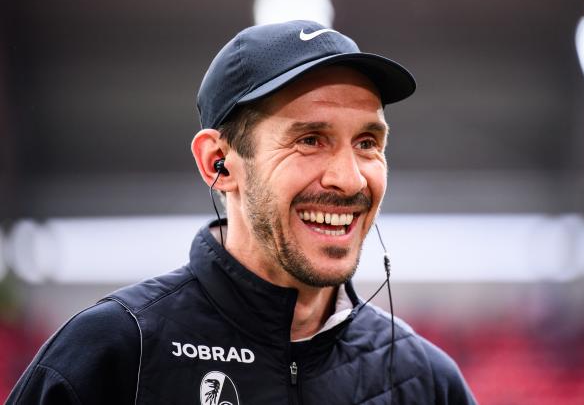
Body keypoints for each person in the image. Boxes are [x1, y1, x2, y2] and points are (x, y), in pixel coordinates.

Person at [8, 20, 476, 404]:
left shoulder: (426, 382)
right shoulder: (114, 354)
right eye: (310, 140)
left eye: (367, 143)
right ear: (219, 162)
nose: (350, 179)